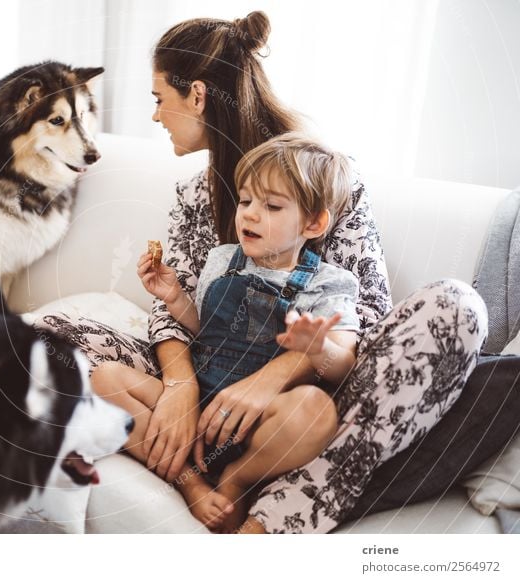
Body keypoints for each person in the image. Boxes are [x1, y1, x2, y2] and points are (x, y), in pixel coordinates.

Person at [36, 10, 492, 534]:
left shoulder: (323, 178)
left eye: (160, 98)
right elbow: (178, 309)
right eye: (247, 202)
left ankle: (281, 508)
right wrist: (181, 387)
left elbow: (363, 317)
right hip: (208, 375)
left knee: (458, 308)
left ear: (199, 96)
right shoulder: (192, 195)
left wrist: (270, 378)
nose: (156, 116)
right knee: (43, 340)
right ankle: (190, 463)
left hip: (311, 390)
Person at [92, 134, 361, 532]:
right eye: (246, 200)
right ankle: (191, 483)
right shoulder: (222, 260)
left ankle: (236, 479)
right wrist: (175, 299)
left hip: (257, 426)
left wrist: (318, 347)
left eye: (271, 206)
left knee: (316, 412)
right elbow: (208, 328)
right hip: (197, 403)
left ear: (313, 222)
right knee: (105, 379)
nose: (249, 214)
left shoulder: (330, 283)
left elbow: (344, 362)